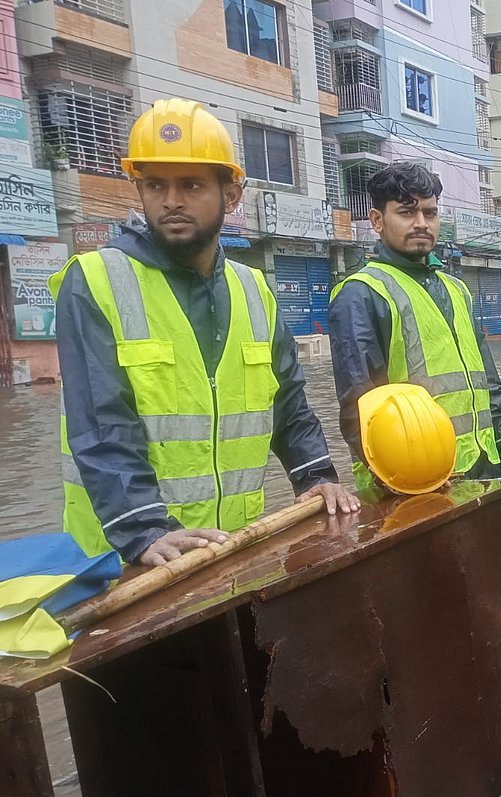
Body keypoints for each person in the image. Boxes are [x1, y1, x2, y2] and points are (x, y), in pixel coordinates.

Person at [53, 98, 358, 566]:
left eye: (191, 185)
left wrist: (316, 476)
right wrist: (143, 530)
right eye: (155, 184)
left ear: (231, 194)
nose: (171, 201)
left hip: (233, 546)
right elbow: (100, 422)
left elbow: (288, 405)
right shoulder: (94, 281)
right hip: (129, 561)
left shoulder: (254, 288)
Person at [328, 162, 501, 491]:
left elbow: (487, 379)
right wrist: (394, 480)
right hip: (414, 481)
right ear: (377, 220)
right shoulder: (361, 294)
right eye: (406, 212)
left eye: (430, 213)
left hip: (481, 463)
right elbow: (358, 404)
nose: (421, 224)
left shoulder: (455, 288)